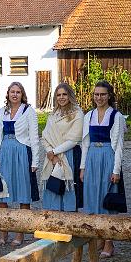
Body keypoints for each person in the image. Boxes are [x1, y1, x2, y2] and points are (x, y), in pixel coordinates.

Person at [80, 80, 126, 258]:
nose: (99, 97)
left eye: (103, 94)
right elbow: (84, 143)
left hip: (107, 156)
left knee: (107, 199)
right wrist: (83, 167)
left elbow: (119, 146)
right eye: (96, 94)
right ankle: (98, 236)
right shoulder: (89, 115)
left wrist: (116, 170)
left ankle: (109, 242)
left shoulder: (116, 116)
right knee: (92, 197)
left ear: (109, 96)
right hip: (92, 155)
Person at [0, 82, 40, 246]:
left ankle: (20, 234)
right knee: (2, 191)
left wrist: (35, 161)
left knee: (23, 192)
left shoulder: (28, 111)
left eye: (18, 92)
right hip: (5, 150)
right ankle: (3, 232)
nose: (15, 94)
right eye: (12, 91)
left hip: (21, 152)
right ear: (8, 94)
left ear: (22, 94)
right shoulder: (2, 111)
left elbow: (34, 137)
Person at [40, 83, 84, 212]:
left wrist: (54, 151)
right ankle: (53, 223)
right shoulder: (53, 114)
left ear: (70, 95)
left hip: (69, 155)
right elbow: (45, 136)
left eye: (64, 94)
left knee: (68, 189)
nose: (61, 97)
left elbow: (74, 139)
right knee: (54, 187)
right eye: (58, 95)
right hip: (52, 157)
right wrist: (50, 153)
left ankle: (69, 224)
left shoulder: (77, 113)